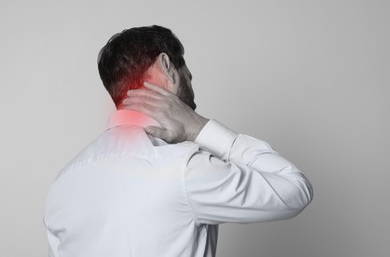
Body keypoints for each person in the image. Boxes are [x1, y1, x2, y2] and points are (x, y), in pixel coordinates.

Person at [44, 25, 313, 257]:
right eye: (188, 75)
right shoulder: (183, 169)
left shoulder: (63, 183)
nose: (191, 87)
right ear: (167, 67)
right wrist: (198, 128)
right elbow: (295, 189)